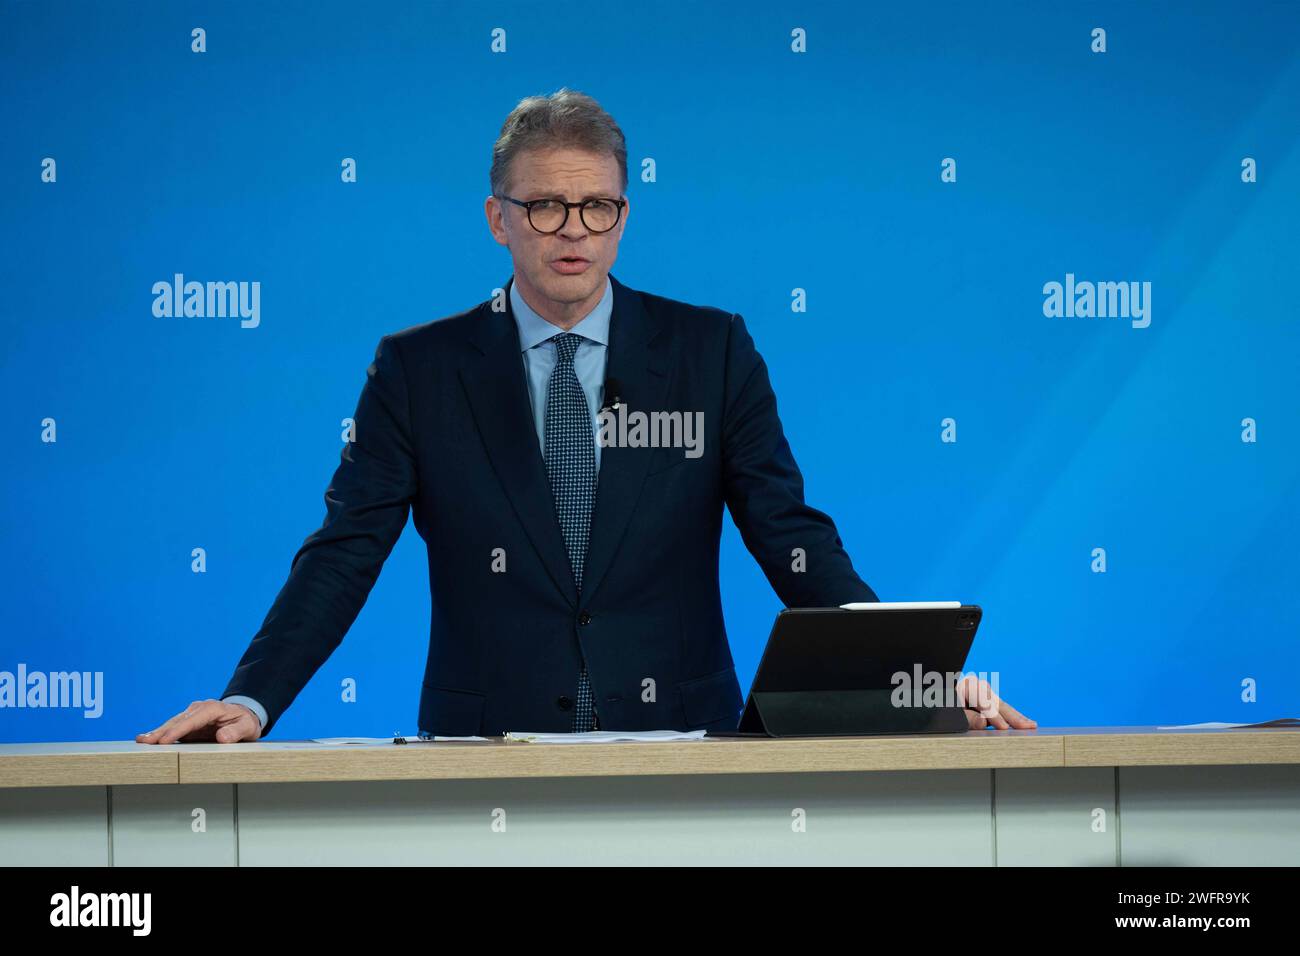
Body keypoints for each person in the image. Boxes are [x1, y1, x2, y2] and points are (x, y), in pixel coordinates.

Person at [139, 89, 1034, 744]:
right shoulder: (417, 368)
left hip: (682, 743)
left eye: (597, 206)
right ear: (499, 218)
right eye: (545, 206)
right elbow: (345, 551)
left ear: (623, 217)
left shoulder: (710, 351)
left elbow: (788, 534)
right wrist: (250, 697)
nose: (573, 229)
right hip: (481, 756)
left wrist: (910, 676)